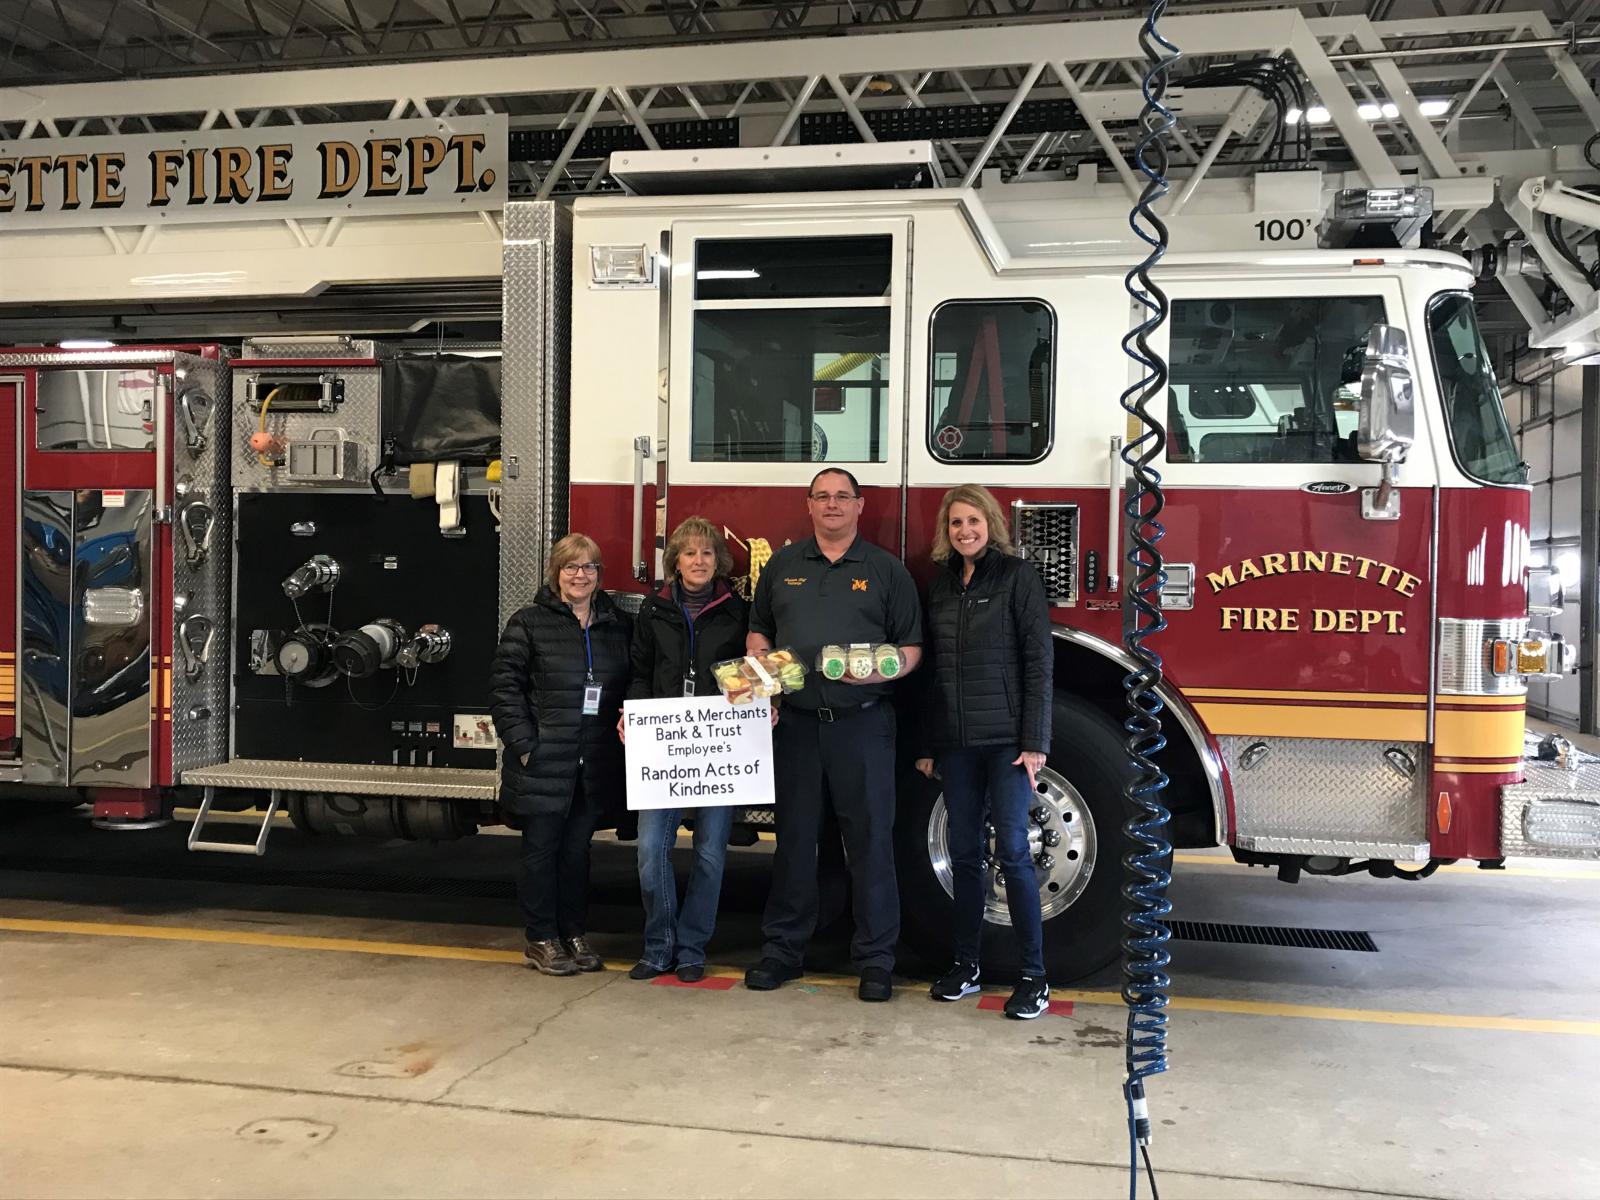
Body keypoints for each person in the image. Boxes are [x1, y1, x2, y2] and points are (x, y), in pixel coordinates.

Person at [743, 468, 923, 1002]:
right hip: (796, 727)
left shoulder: (887, 571)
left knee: (870, 845)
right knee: (795, 842)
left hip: (863, 725)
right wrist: (760, 666)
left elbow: (911, 648)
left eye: (843, 496)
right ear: (809, 506)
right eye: (822, 497)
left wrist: (878, 673)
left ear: (861, 506)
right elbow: (759, 629)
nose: (832, 505)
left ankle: (875, 960)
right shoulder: (783, 564)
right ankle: (783, 951)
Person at [914, 484, 1053, 1019]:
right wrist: (929, 744)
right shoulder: (941, 586)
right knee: (966, 855)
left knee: (1015, 854)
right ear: (945, 532)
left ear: (990, 524)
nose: (964, 531)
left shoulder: (1017, 578)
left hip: (1007, 745)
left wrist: (1034, 741)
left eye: (972, 521)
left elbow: (1038, 662)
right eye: (955, 524)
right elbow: (932, 671)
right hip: (955, 744)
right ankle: (965, 967)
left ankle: (1033, 977)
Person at [489, 533, 632, 976]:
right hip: (545, 763)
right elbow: (504, 689)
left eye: (589, 567)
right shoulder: (528, 622)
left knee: (577, 855)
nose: (580, 575)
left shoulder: (616, 626)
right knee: (541, 853)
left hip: (592, 764)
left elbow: (630, 685)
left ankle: (572, 933)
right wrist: (526, 747)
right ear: (557, 572)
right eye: (571, 566)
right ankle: (540, 938)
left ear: (599, 575)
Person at [621, 517, 750, 983]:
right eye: (690, 553)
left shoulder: (737, 611)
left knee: (711, 851)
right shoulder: (653, 611)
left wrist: (763, 706)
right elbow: (640, 672)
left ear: (719, 562)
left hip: (718, 746)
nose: (699, 561)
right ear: (675, 560)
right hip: (663, 746)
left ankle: (693, 948)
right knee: (651, 849)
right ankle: (659, 946)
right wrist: (631, 714)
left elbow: (747, 674)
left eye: (708, 554)